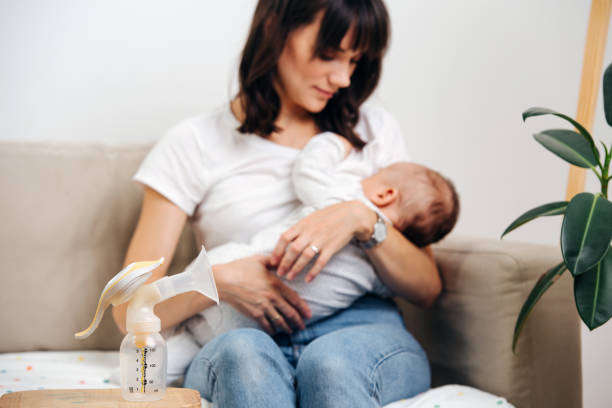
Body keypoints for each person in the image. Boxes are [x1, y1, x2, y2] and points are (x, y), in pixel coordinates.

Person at [112, 1, 445, 406]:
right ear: (275, 31)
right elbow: (129, 308)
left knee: (331, 364)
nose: (342, 78)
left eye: (355, 61)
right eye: (327, 55)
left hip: (361, 330)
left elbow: (426, 287)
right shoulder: (193, 143)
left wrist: (361, 218)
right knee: (243, 358)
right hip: (242, 336)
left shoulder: (373, 129)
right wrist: (215, 281)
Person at [163, 132, 459, 383]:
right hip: (252, 321)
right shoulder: (379, 271)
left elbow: (308, 171)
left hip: (233, 286)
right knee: (197, 347)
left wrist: (332, 143)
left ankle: (139, 377)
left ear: (385, 194)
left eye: (373, 177)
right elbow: (402, 285)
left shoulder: (342, 196)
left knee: (177, 349)